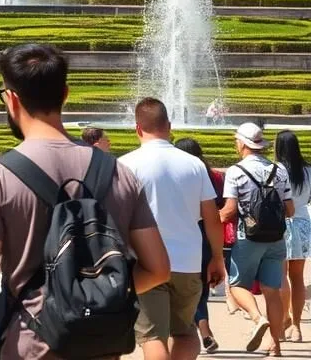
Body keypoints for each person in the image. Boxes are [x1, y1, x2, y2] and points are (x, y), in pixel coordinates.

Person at [0, 44, 169, 360]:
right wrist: (96, 299)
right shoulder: (118, 172)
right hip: (101, 344)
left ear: (11, 99)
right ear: (65, 93)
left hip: (32, 343)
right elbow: (158, 269)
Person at [118, 98, 224, 360]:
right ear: (169, 126)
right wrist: (217, 258)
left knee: (153, 337)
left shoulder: (125, 164)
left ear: (138, 129)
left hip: (145, 262)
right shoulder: (194, 164)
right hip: (188, 262)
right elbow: (212, 219)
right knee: (186, 332)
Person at [222, 121, 296, 355]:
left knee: (236, 285)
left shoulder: (235, 171)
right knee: (271, 290)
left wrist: (212, 219)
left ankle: (257, 318)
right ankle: (276, 344)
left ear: (242, 143)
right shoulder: (280, 170)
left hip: (249, 237)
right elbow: (290, 209)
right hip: (276, 238)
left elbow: (230, 210)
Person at [175, 137, 226, 354]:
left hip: (182, 236)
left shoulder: (178, 176)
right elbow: (220, 207)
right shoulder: (213, 176)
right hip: (206, 237)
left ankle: (200, 331)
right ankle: (204, 331)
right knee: (200, 288)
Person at [276, 130, 311, 343]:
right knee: (297, 277)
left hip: (281, 225)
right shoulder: (308, 170)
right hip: (303, 224)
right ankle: (297, 327)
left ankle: (282, 323)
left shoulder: (277, 170)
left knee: (280, 277)